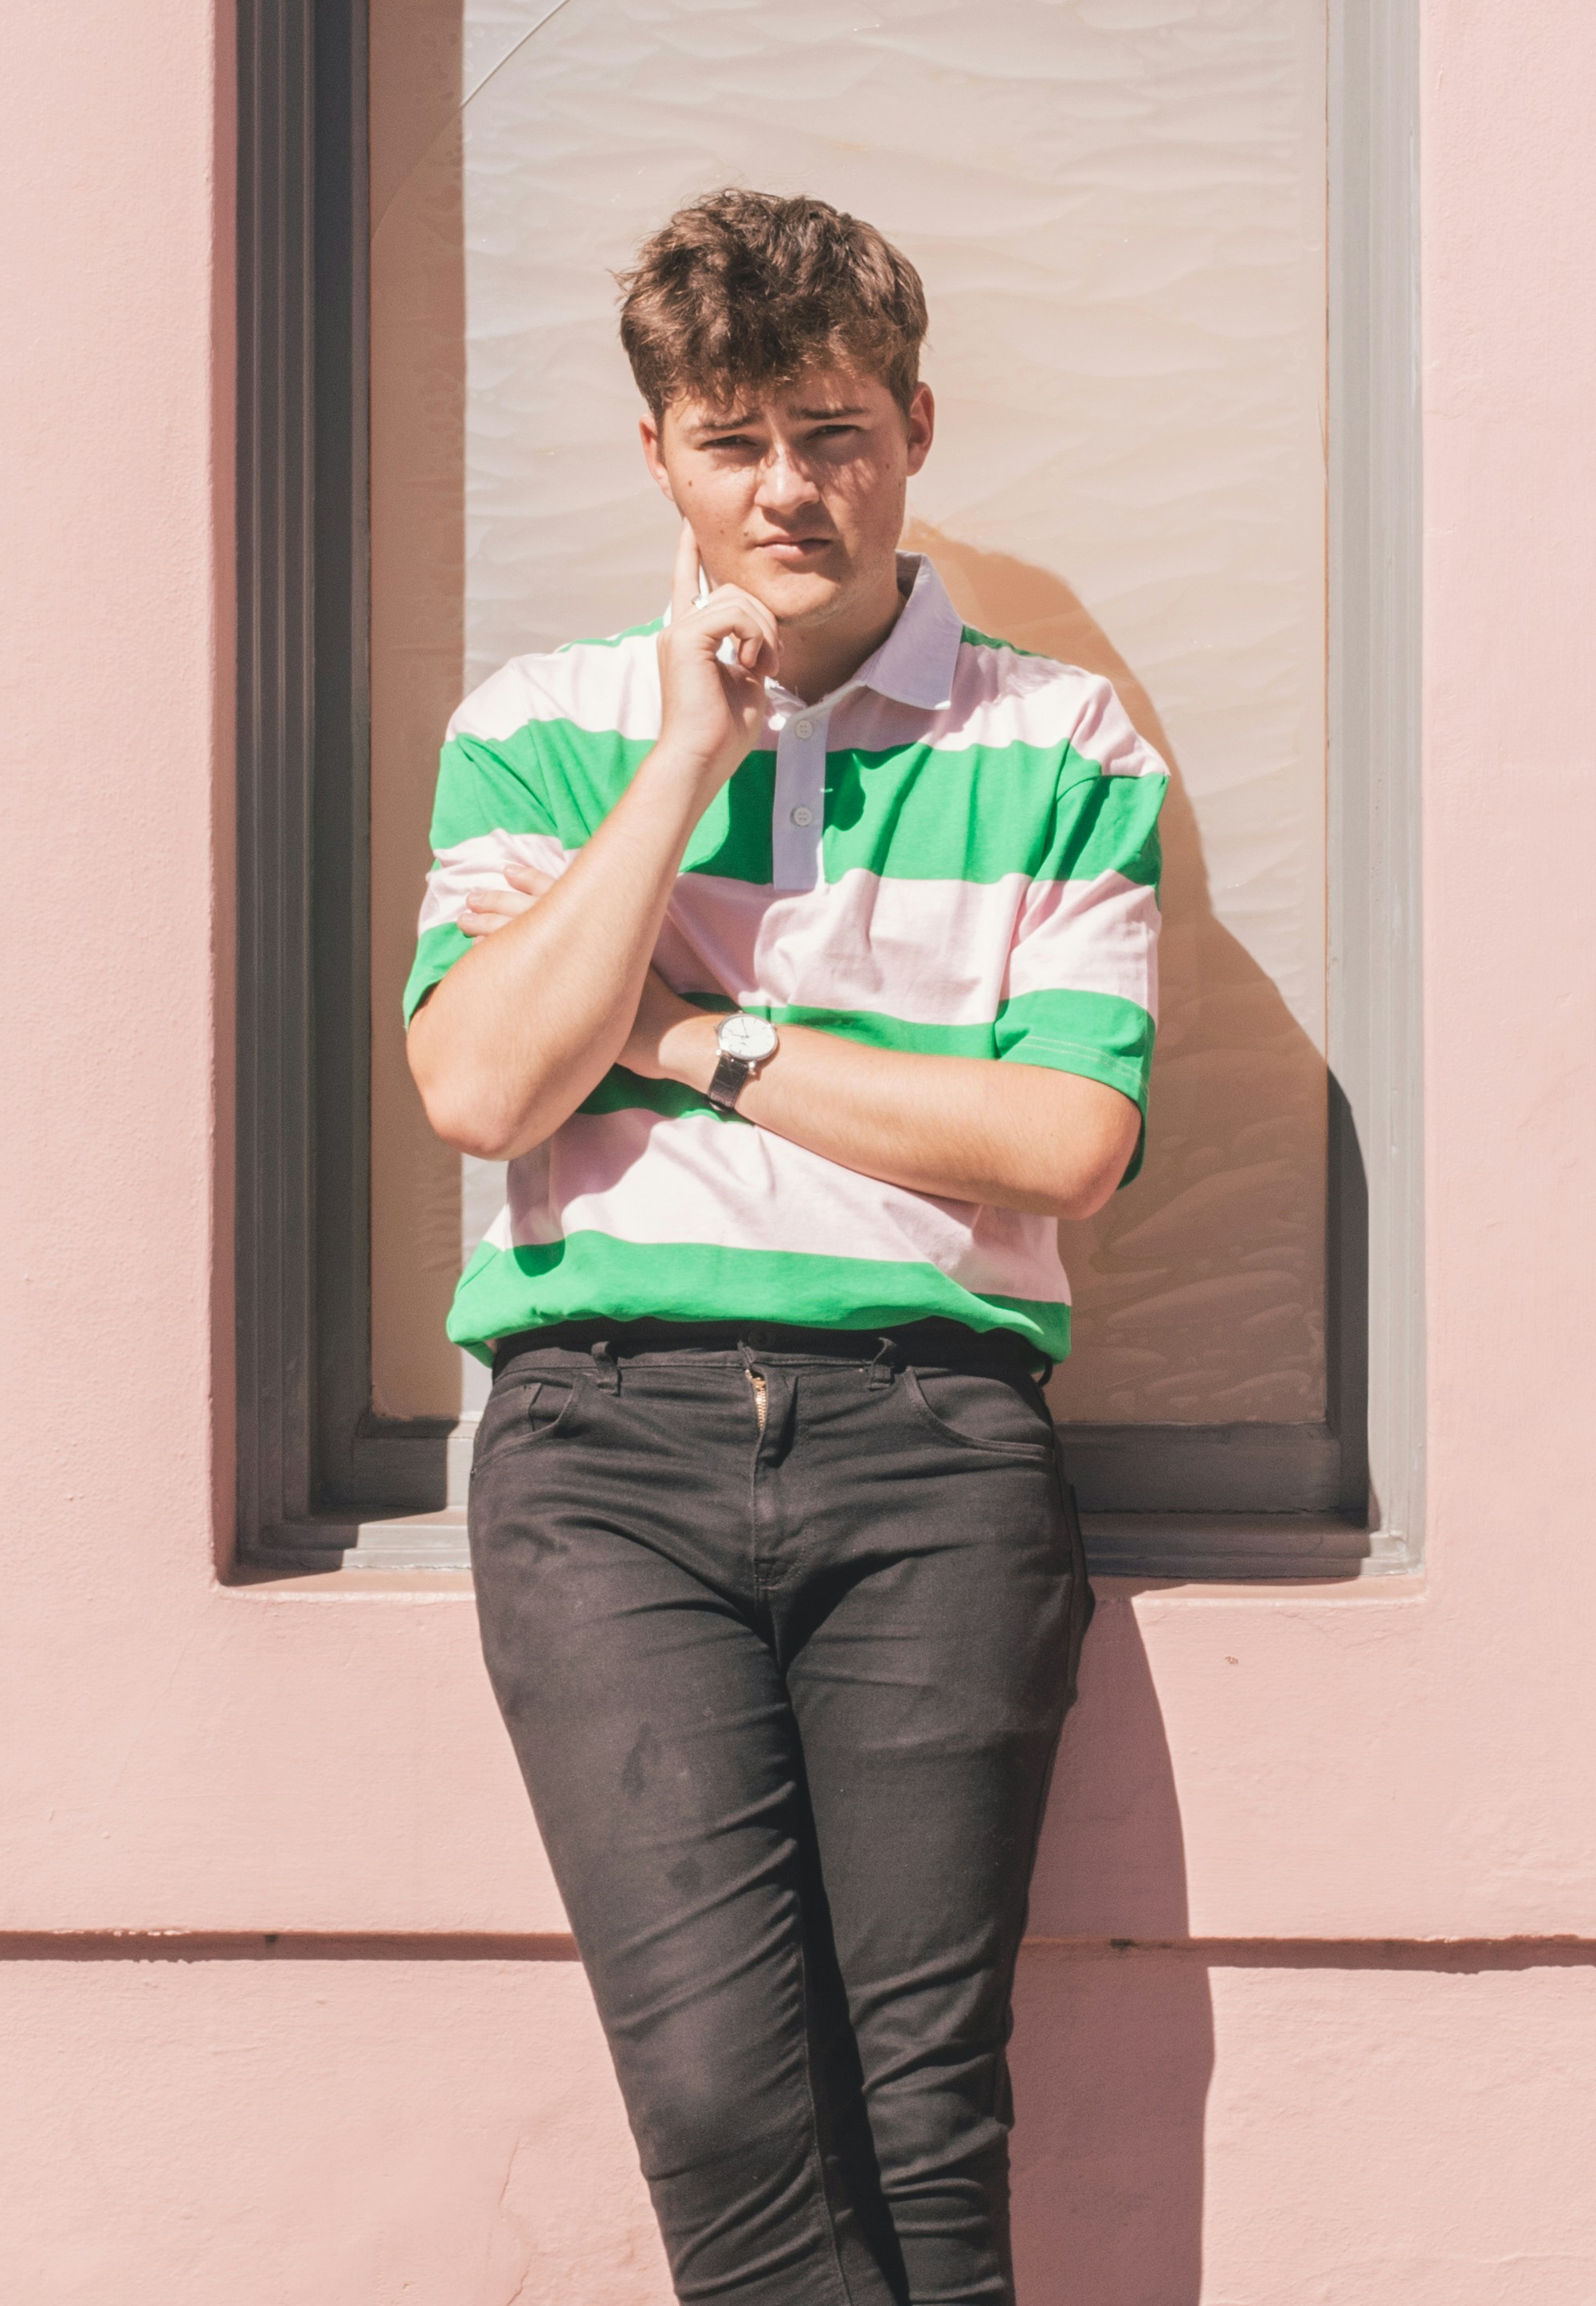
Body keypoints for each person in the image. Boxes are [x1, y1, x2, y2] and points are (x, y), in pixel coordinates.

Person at [403, 188, 1165, 2306]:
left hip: (934, 1450)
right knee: (731, 2117)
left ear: (915, 425)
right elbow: (480, 1088)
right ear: (660, 459)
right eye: (734, 440)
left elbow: (1063, 1139)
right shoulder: (539, 730)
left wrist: (691, 1039)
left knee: (924, 2116)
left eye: (833, 432)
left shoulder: (1059, 741)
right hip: (605, 1459)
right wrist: (682, 763)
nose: (792, 488)